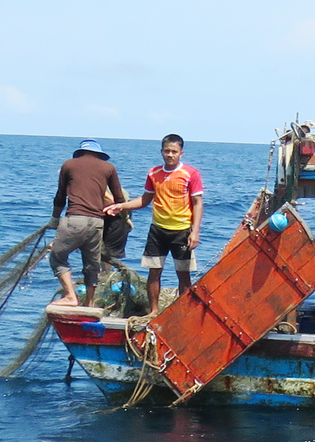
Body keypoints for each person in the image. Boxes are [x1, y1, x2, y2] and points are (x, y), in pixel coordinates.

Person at [106, 133, 204, 311]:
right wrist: (122, 206)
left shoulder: (190, 174)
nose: (170, 155)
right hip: (158, 231)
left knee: (183, 275)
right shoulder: (154, 173)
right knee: (154, 273)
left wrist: (195, 232)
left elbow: (198, 203)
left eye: (174, 151)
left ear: (181, 153)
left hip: (182, 231)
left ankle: (183, 312)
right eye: (167, 151)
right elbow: (145, 199)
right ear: (161, 152)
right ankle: (153, 311)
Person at [50, 139, 125, 306]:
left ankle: (70, 296)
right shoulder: (109, 168)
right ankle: (89, 303)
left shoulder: (68, 165)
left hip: (74, 220)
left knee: (57, 257)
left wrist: (54, 219)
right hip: (97, 222)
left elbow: (60, 196)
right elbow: (119, 199)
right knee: (92, 265)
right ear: (99, 154)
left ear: (80, 152)